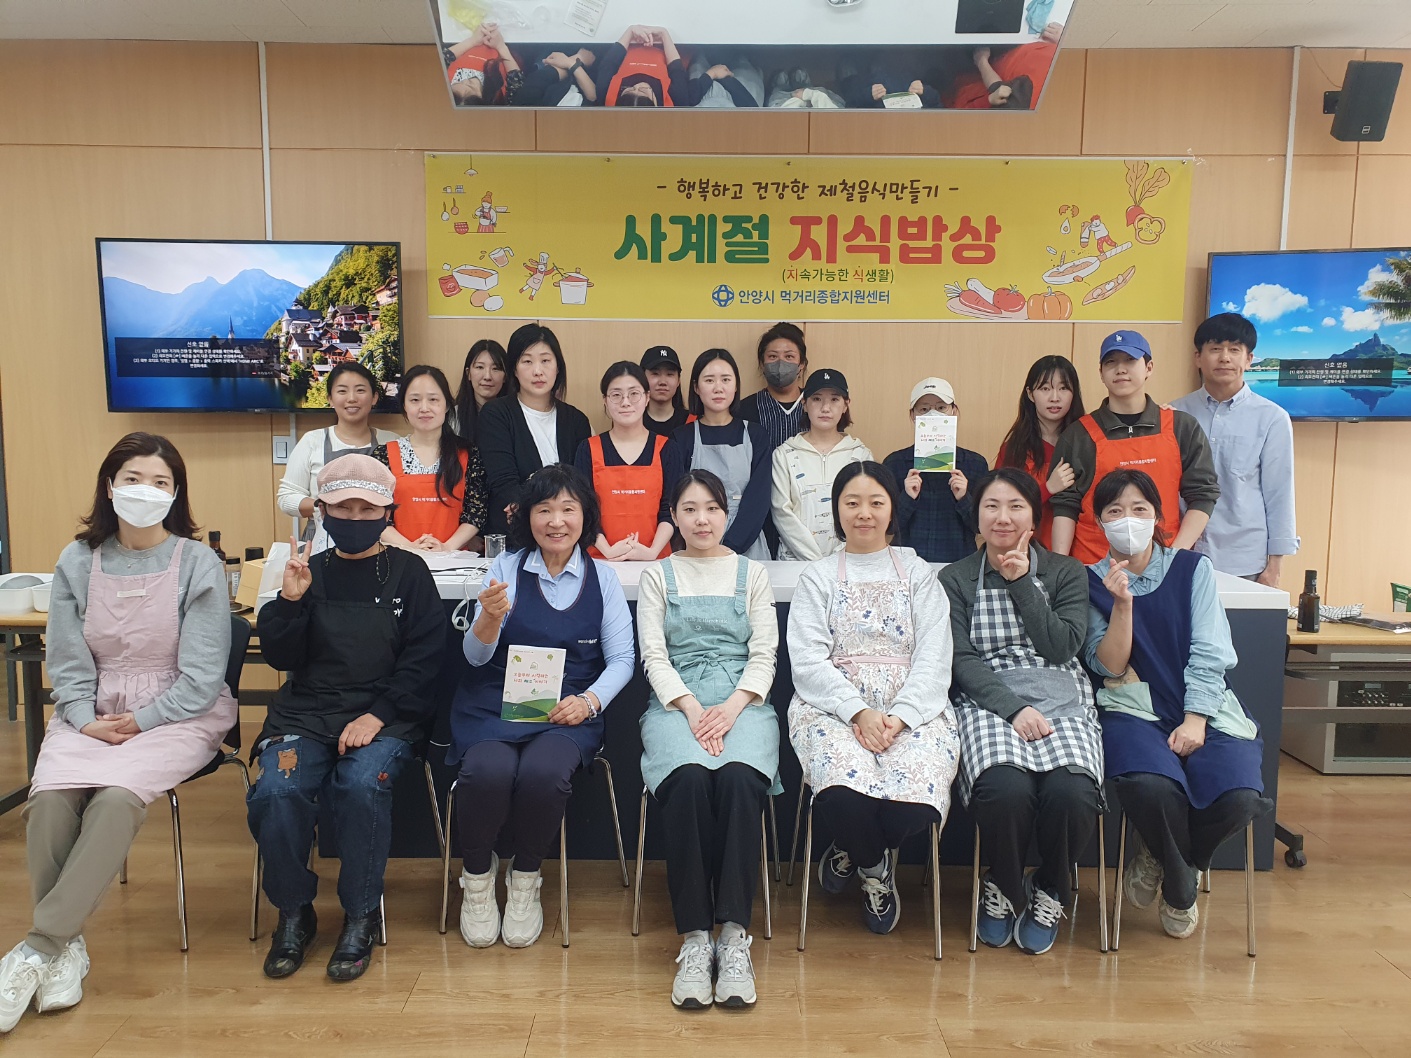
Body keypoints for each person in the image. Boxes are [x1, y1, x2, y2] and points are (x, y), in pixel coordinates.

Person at [1, 433, 234, 1031]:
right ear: (109, 487)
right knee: (49, 803)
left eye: (160, 482)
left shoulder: (198, 563)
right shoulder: (77, 560)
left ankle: (37, 948)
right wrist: (84, 718)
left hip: (178, 713)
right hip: (93, 709)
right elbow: (68, 659)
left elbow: (203, 675)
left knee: (113, 802)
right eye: (133, 479)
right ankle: (65, 949)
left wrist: (144, 719)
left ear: (176, 494)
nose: (145, 491)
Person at [247, 455, 444, 981]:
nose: (355, 518)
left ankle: (360, 915)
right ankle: (294, 913)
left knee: (361, 784)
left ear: (387, 512)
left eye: (367, 509)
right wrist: (290, 603)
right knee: (277, 790)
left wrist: (378, 715)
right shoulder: (306, 570)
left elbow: (425, 661)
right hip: (306, 714)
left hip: (386, 718)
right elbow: (280, 657)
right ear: (322, 510)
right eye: (343, 508)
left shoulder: (410, 572)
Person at [451, 465, 635, 949]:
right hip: (494, 704)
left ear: (585, 516)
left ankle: (526, 878)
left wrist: (588, 702)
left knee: (543, 774)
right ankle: (476, 879)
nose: (556, 521)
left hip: (566, 712)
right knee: (485, 772)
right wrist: (488, 621)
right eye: (544, 509)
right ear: (526, 517)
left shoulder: (604, 579)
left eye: (568, 509)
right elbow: (475, 657)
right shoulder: (504, 569)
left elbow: (622, 659)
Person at [1084, 469, 1270, 940]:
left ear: (1158, 516)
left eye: (1139, 509)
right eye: (1115, 511)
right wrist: (1122, 605)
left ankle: (1165, 859)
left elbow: (1210, 650)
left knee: (1240, 797)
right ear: (1100, 522)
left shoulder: (1192, 569)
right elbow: (1107, 665)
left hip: (1204, 707)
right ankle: (1183, 887)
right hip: (1134, 709)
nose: (1128, 520)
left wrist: (1195, 719)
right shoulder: (1089, 581)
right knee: (1148, 786)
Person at [787, 462, 959, 935]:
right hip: (833, 705)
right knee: (843, 796)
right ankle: (874, 868)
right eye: (852, 502)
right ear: (837, 510)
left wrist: (900, 717)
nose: (864, 513)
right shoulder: (818, 576)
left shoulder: (918, 572)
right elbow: (808, 660)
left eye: (876, 502)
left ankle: (852, 847)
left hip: (913, 706)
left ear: (892, 508)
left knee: (916, 803)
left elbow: (934, 654)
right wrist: (858, 712)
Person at [940, 469, 1103, 956]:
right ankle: (1005, 885)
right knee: (1004, 791)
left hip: (1062, 696)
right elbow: (961, 660)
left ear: (1035, 516)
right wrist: (1013, 709)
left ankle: (1051, 886)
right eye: (991, 506)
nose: (1003, 517)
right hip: (989, 699)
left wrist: (1021, 583)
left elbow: (1062, 646)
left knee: (1072, 794)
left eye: (1015, 506)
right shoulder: (956, 578)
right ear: (977, 516)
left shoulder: (1066, 572)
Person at [637, 470, 780, 1009]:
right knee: (689, 779)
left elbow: (765, 653)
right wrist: (694, 711)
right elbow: (654, 656)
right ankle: (696, 939)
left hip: (744, 701)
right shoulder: (658, 575)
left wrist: (732, 707)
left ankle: (734, 936)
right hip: (678, 703)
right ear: (674, 516)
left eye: (712, 508)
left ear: (726, 513)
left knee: (742, 780)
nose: (702, 520)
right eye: (689, 509)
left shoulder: (752, 573)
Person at [1049, 330, 1220, 565]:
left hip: (1164, 561)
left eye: (1130, 360)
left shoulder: (1181, 427)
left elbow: (1203, 496)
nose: (1120, 369)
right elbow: (1065, 506)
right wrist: (1060, 567)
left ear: (1149, 367)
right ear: (1101, 373)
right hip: (1095, 566)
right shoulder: (1079, 434)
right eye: (1111, 362)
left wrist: (1174, 557)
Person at [1169, 313, 1297, 585]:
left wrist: (1275, 566)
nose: (1225, 358)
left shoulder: (1272, 418)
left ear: (1249, 359)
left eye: (1234, 350)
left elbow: (1279, 494)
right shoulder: (1174, 413)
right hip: (1181, 555)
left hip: (1244, 561)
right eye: (1215, 349)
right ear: (1198, 358)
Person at [477, 323, 592, 535]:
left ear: (558, 367)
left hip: (565, 536)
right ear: (514, 369)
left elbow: (580, 487)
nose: (538, 371)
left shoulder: (576, 421)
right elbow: (504, 484)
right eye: (527, 361)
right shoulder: (496, 414)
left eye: (546, 361)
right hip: (515, 536)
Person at [276, 361, 398, 553]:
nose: (352, 398)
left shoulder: (391, 442)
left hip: (382, 544)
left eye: (360, 390)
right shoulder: (312, 441)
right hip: (320, 544)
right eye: (342, 391)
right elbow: (286, 498)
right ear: (330, 399)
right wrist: (324, 507)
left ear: (374, 397)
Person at [573, 361, 685, 561]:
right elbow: (583, 508)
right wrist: (607, 551)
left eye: (634, 394)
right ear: (605, 400)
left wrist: (652, 552)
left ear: (647, 397)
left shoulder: (667, 449)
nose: (625, 402)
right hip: (600, 561)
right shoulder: (588, 449)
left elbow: (671, 509)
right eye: (616, 395)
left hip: (656, 561)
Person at [373, 365, 489, 552]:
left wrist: (446, 547)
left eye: (433, 399)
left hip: (454, 561)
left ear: (447, 405)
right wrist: (410, 548)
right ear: (404, 406)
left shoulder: (468, 454)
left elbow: (476, 512)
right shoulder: (383, 455)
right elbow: (375, 513)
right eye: (415, 400)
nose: (424, 408)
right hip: (399, 558)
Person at [672, 349, 772, 561]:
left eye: (726, 379)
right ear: (696, 387)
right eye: (709, 380)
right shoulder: (682, 438)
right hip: (697, 542)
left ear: (736, 386)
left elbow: (759, 499)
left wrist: (730, 547)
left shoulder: (756, 435)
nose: (718, 388)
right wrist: (707, 547)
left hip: (748, 544)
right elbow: (678, 499)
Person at [884, 377, 990, 563]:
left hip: (959, 565)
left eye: (941, 408)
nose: (933, 415)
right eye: (924, 409)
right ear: (912, 416)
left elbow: (982, 527)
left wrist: (963, 498)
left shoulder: (975, 464)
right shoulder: (895, 463)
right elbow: (888, 527)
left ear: (954, 412)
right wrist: (907, 498)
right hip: (906, 565)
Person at [770, 369, 873, 561]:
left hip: (847, 560)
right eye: (817, 399)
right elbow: (781, 511)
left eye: (834, 399)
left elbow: (865, 510)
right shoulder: (784, 455)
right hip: (795, 563)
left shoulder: (860, 456)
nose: (825, 408)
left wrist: (837, 558)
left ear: (846, 405)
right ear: (804, 404)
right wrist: (816, 561)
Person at [995, 355, 1086, 549]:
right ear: (1030, 394)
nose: (1055, 397)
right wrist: (1048, 488)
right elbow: (1000, 506)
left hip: (1080, 553)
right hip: (1027, 552)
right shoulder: (1014, 449)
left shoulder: (1087, 442)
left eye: (1064, 388)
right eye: (1045, 388)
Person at [738, 322, 808, 452]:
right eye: (772, 356)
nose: (780, 363)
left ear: (802, 364)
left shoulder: (818, 405)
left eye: (789, 356)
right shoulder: (744, 409)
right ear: (762, 364)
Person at [595, 25, 689, 107]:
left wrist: (631, 31)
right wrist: (663, 34)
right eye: (643, 90)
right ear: (655, 103)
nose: (637, 85)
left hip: (630, 44)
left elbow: (610, 63)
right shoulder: (678, 102)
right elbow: (676, 68)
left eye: (629, 89)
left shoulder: (605, 94)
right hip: (666, 49)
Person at [445, 21, 522, 105]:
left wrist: (472, 41)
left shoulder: (442, 79)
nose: (466, 80)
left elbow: (445, 56)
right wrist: (501, 46)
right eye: (471, 86)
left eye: (458, 81)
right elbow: (516, 80)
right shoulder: (500, 97)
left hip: (466, 39)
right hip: (509, 48)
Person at [453, 338, 508, 446]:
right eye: (480, 367)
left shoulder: (514, 417)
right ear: (468, 373)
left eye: (495, 368)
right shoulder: (453, 418)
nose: (487, 376)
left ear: (505, 376)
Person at [641, 345, 695, 437]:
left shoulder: (692, 423)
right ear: (642, 378)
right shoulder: (633, 422)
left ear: (678, 381)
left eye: (670, 374)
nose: (662, 382)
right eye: (655, 374)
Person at [514, 48, 598, 106]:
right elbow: (594, 98)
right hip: (583, 76)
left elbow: (541, 77)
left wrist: (575, 61)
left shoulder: (527, 105)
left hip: (549, 71)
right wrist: (576, 62)